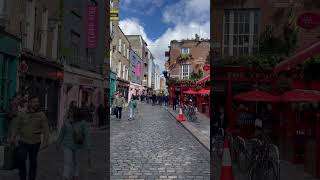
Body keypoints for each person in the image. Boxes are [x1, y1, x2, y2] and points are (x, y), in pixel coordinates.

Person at [10, 96, 50, 180]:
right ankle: (23, 177)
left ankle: (32, 178)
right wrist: (13, 137)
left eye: (37, 102)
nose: (36, 104)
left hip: (35, 142)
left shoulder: (41, 115)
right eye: (34, 102)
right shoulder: (23, 113)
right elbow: (17, 126)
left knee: (33, 162)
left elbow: (46, 129)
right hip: (23, 141)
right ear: (30, 103)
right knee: (20, 158)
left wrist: (46, 141)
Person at [56, 106, 91, 180]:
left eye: (70, 112)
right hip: (67, 145)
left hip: (78, 145)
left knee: (76, 161)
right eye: (69, 112)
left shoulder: (82, 123)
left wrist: (88, 146)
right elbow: (62, 133)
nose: (69, 113)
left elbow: (87, 134)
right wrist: (58, 143)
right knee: (67, 161)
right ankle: (65, 176)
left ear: (75, 113)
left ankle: (75, 175)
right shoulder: (66, 122)